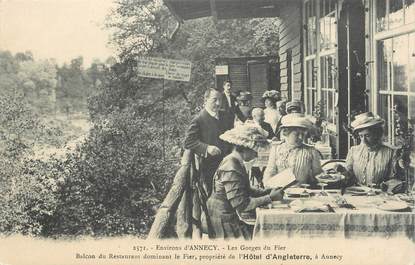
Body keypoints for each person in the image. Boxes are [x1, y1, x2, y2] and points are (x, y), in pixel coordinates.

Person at [206, 125, 284, 239]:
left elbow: (245, 189)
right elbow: (242, 205)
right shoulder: (231, 166)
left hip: (226, 214)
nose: (256, 155)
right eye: (254, 150)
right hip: (222, 218)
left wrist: (266, 191)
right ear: (244, 148)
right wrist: (269, 197)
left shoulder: (235, 161)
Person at [338, 112, 404, 188]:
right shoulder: (354, 151)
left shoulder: (390, 153)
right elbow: (350, 177)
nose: (364, 140)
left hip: (381, 195)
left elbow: (395, 179)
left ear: (377, 134)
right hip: (357, 194)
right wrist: (343, 171)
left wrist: (385, 185)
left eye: (367, 135)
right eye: (361, 136)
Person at [184, 88, 229, 196]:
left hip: (227, 163)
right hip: (210, 166)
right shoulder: (198, 119)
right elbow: (188, 141)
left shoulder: (225, 116)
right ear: (205, 100)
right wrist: (207, 148)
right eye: (214, 100)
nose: (218, 103)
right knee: (214, 196)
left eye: (220, 100)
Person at [263, 113, 323, 186]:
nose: (301, 137)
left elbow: (318, 176)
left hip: (303, 193)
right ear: (286, 133)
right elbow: (269, 172)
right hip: (280, 193)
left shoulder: (311, 151)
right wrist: (268, 188)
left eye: (303, 134)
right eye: (297, 134)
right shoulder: (276, 149)